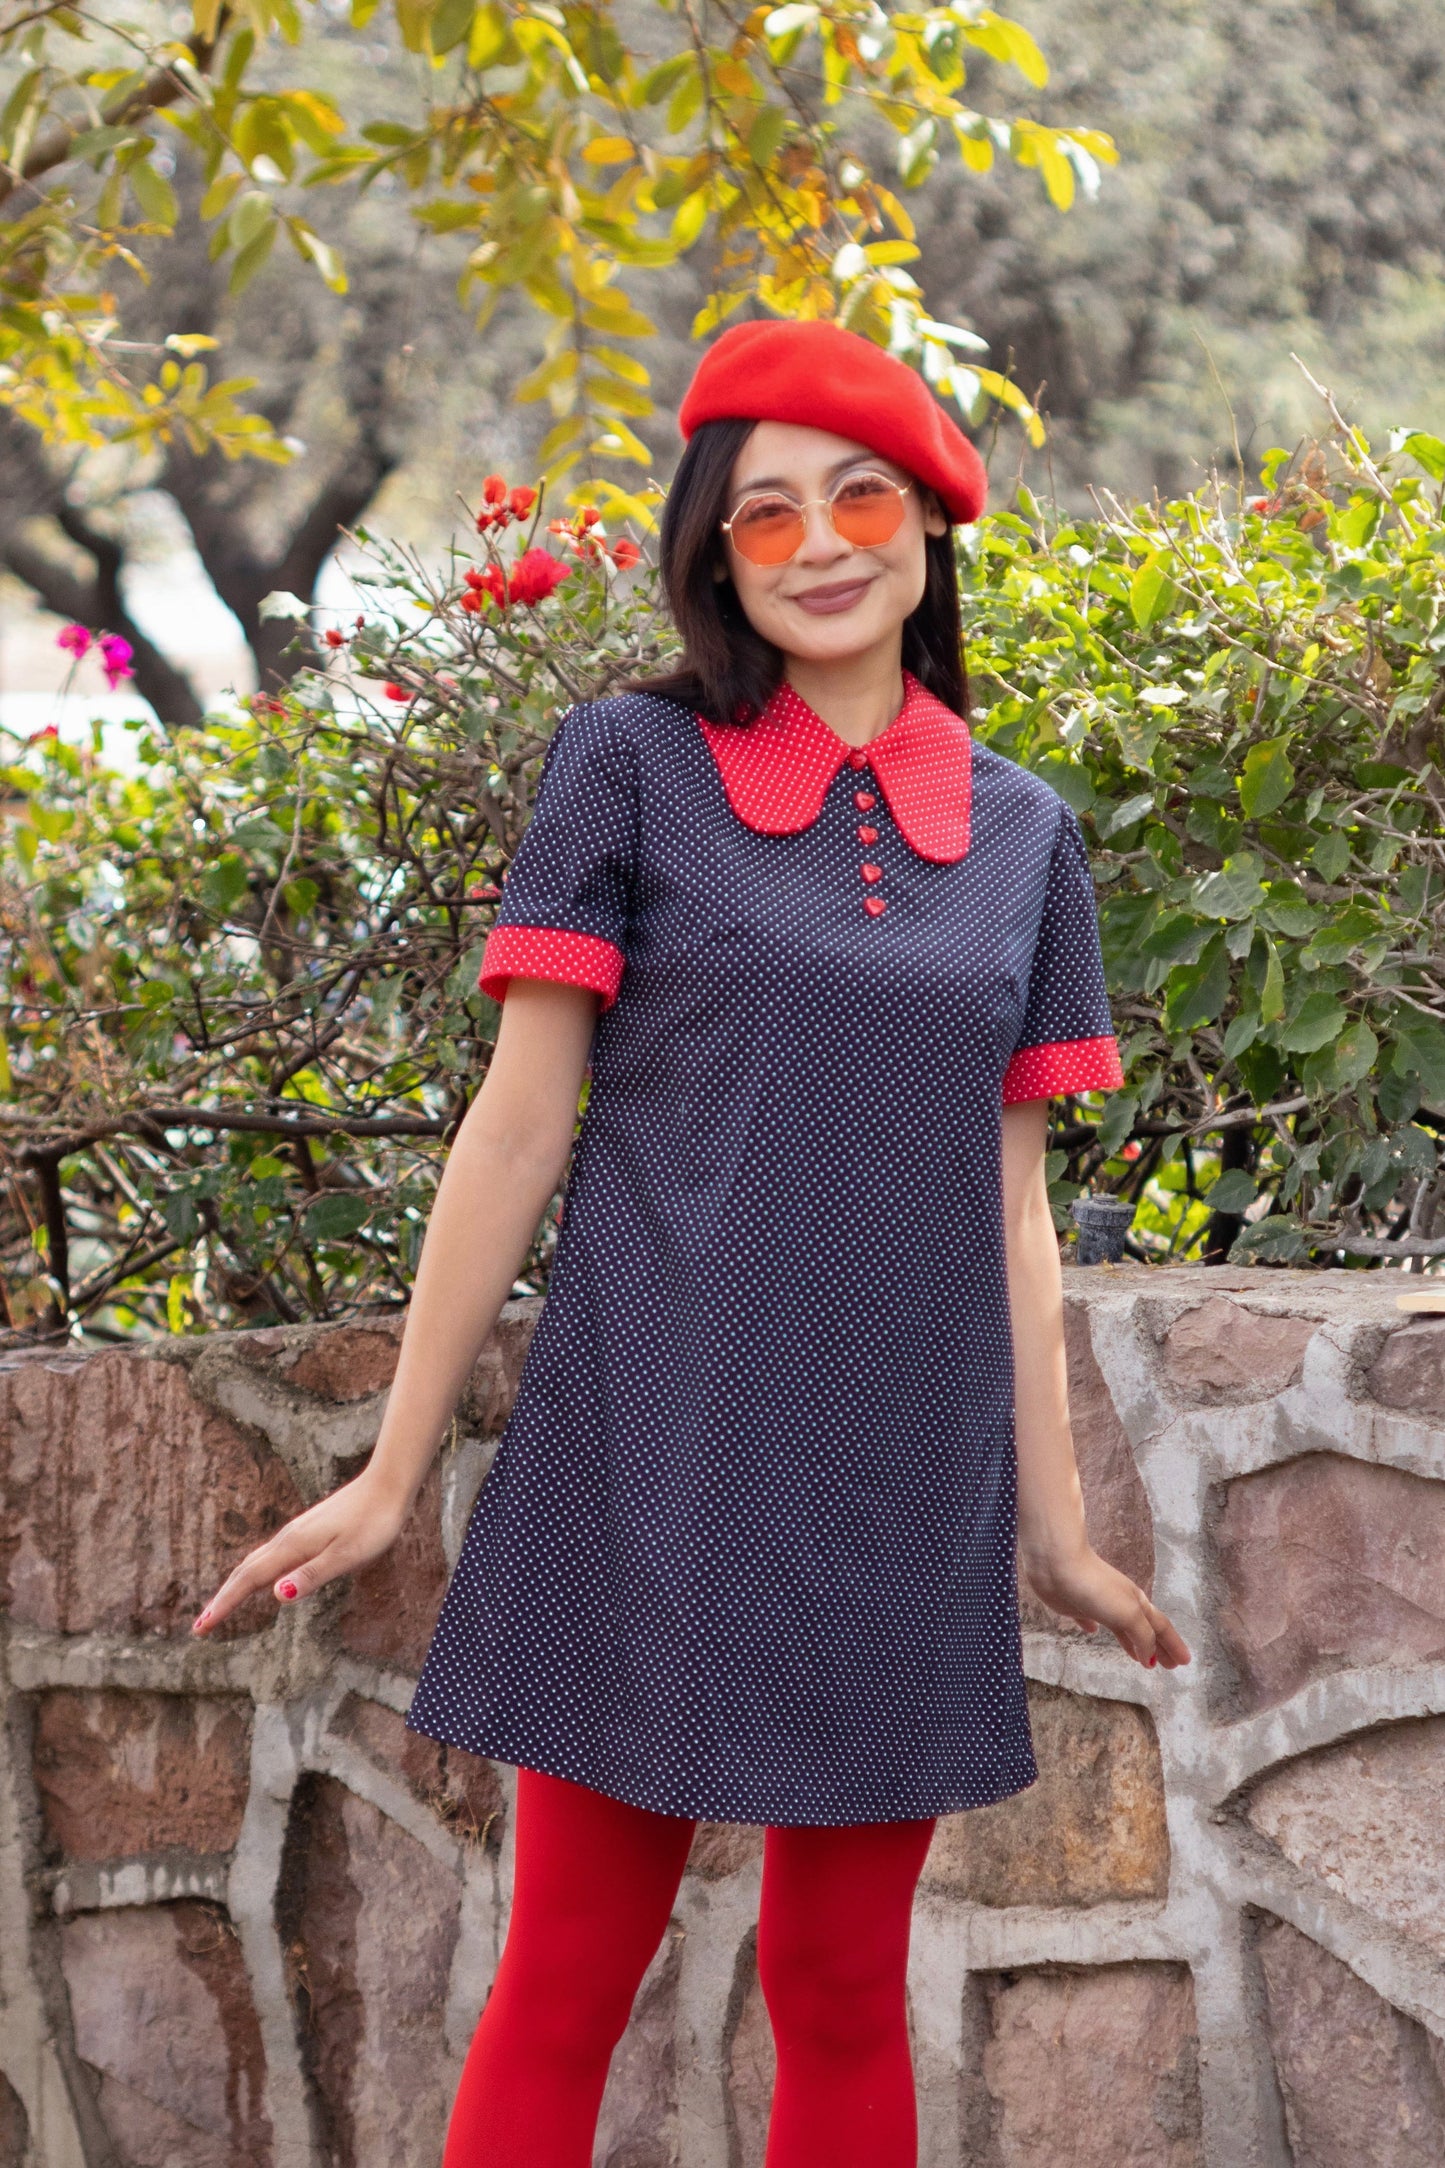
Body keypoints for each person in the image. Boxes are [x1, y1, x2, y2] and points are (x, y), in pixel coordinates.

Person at [194, 318, 1192, 2167]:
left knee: (837, 1989)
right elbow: (518, 1121)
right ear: (710, 552)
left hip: (903, 1478)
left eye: (859, 496)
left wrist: (1051, 1525)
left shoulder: (1027, 836)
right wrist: (395, 1468)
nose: (818, 543)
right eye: (764, 516)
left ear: (927, 525)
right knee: (571, 1969)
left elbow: (1014, 1199)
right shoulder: (628, 765)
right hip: (647, 1450)